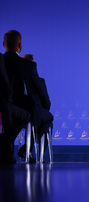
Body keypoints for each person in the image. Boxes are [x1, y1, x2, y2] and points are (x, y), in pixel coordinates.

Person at [2, 30, 53, 160]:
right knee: (47, 118)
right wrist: (45, 107)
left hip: (3, 107)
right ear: (20, 45)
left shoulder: (1, 61)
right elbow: (41, 91)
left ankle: (21, 150)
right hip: (25, 109)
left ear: (3, 44)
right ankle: (27, 149)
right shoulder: (27, 65)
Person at [0, 52, 30, 163]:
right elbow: (4, 82)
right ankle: (4, 144)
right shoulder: (1, 57)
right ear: (19, 45)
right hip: (4, 103)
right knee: (25, 116)